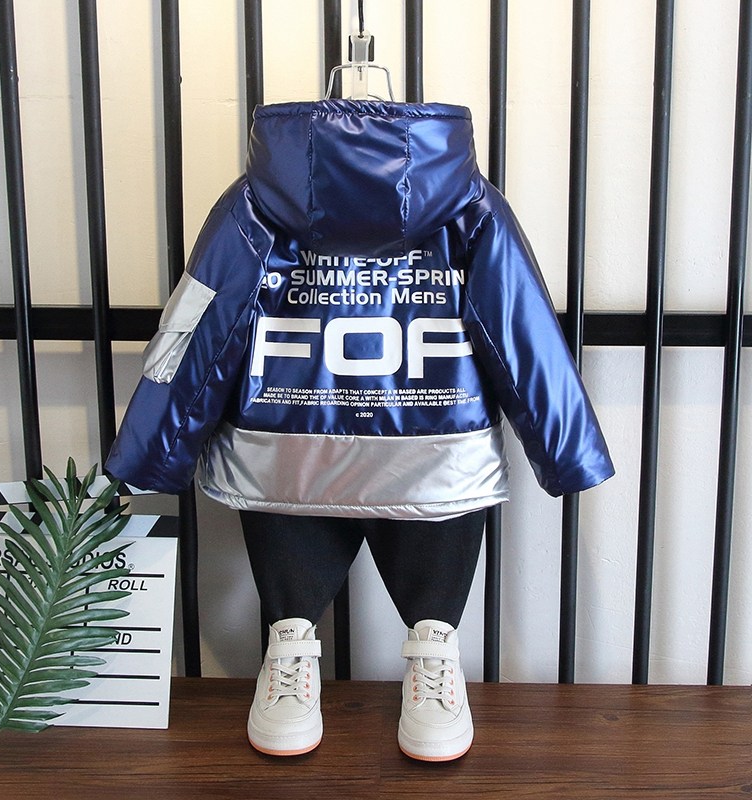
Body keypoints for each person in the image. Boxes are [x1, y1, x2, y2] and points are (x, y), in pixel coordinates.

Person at [106, 99, 614, 762]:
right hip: (435, 448)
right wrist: (566, 450)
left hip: (286, 448)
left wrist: (152, 448)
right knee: (436, 558)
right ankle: (430, 660)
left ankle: (291, 657)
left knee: (288, 559)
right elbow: (523, 331)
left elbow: (200, 323)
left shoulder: (253, 203)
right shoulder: (471, 205)